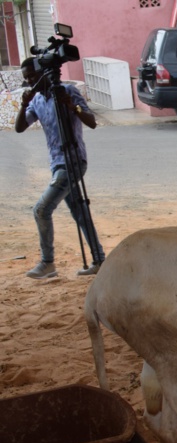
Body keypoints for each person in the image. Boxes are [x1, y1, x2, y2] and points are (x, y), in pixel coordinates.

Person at [15, 56, 105, 278]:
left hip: (73, 161)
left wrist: (71, 106)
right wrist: (24, 104)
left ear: (44, 73)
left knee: (41, 210)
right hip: (57, 164)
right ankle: (100, 260)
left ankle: (48, 263)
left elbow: (91, 122)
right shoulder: (36, 101)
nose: (30, 82)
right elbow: (19, 128)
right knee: (80, 212)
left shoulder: (68, 91)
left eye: (33, 77)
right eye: (26, 79)